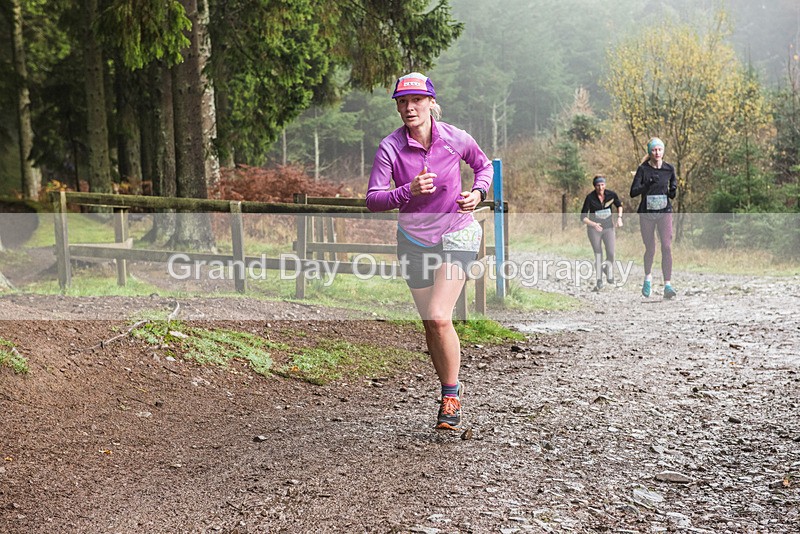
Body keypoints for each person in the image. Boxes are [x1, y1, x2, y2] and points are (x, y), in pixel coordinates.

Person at [366, 72, 493, 431]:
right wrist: (407, 191)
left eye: (416, 101)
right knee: (431, 324)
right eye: (402, 102)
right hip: (414, 240)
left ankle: (451, 396)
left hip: (457, 234)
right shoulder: (390, 147)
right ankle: (447, 387)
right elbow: (373, 199)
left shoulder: (455, 138)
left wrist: (478, 194)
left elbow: (483, 166)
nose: (409, 108)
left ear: (431, 103)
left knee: (439, 315)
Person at [630, 137, 678, 299]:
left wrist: (673, 190)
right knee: (650, 248)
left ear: (663, 151)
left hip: (664, 211)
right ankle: (648, 278)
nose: (657, 153)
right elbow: (633, 192)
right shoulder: (643, 169)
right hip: (647, 213)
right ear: (649, 152)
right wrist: (647, 184)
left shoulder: (669, 169)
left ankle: (668, 285)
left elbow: (672, 189)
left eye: (659, 150)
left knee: (666, 246)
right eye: (654, 150)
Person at [580, 175, 623, 291]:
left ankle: (606, 269)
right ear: (594, 186)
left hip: (608, 227)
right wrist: (593, 224)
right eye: (598, 185)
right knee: (598, 254)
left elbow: (619, 205)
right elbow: (583, 217)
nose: (600, 187)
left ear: (605, 185)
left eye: (602, 184)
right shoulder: (590, 198)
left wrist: (619, 218)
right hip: (594, 230)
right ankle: (599, 281)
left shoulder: (611, 195)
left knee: (611, 253)